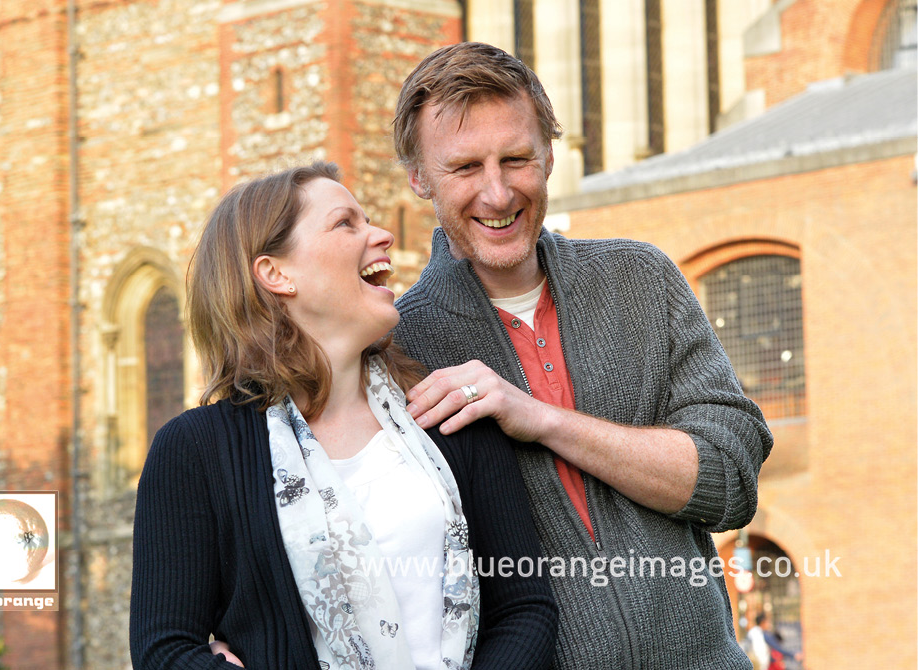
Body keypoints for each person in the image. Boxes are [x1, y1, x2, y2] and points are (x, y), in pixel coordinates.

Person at [390, 42, 774, 668]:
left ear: (549, 155)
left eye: (516, 159)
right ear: (418, 178)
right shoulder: (402, 345)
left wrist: (539, 418)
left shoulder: (640, 280)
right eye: (464, 168)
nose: (497, 192)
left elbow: (729, 482)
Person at [129, 162, 557, 670]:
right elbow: (165, 650)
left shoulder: (447, 414)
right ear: (275, 273)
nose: (383, 234)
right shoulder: (197, 451)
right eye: (345, 223)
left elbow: (525, 609)